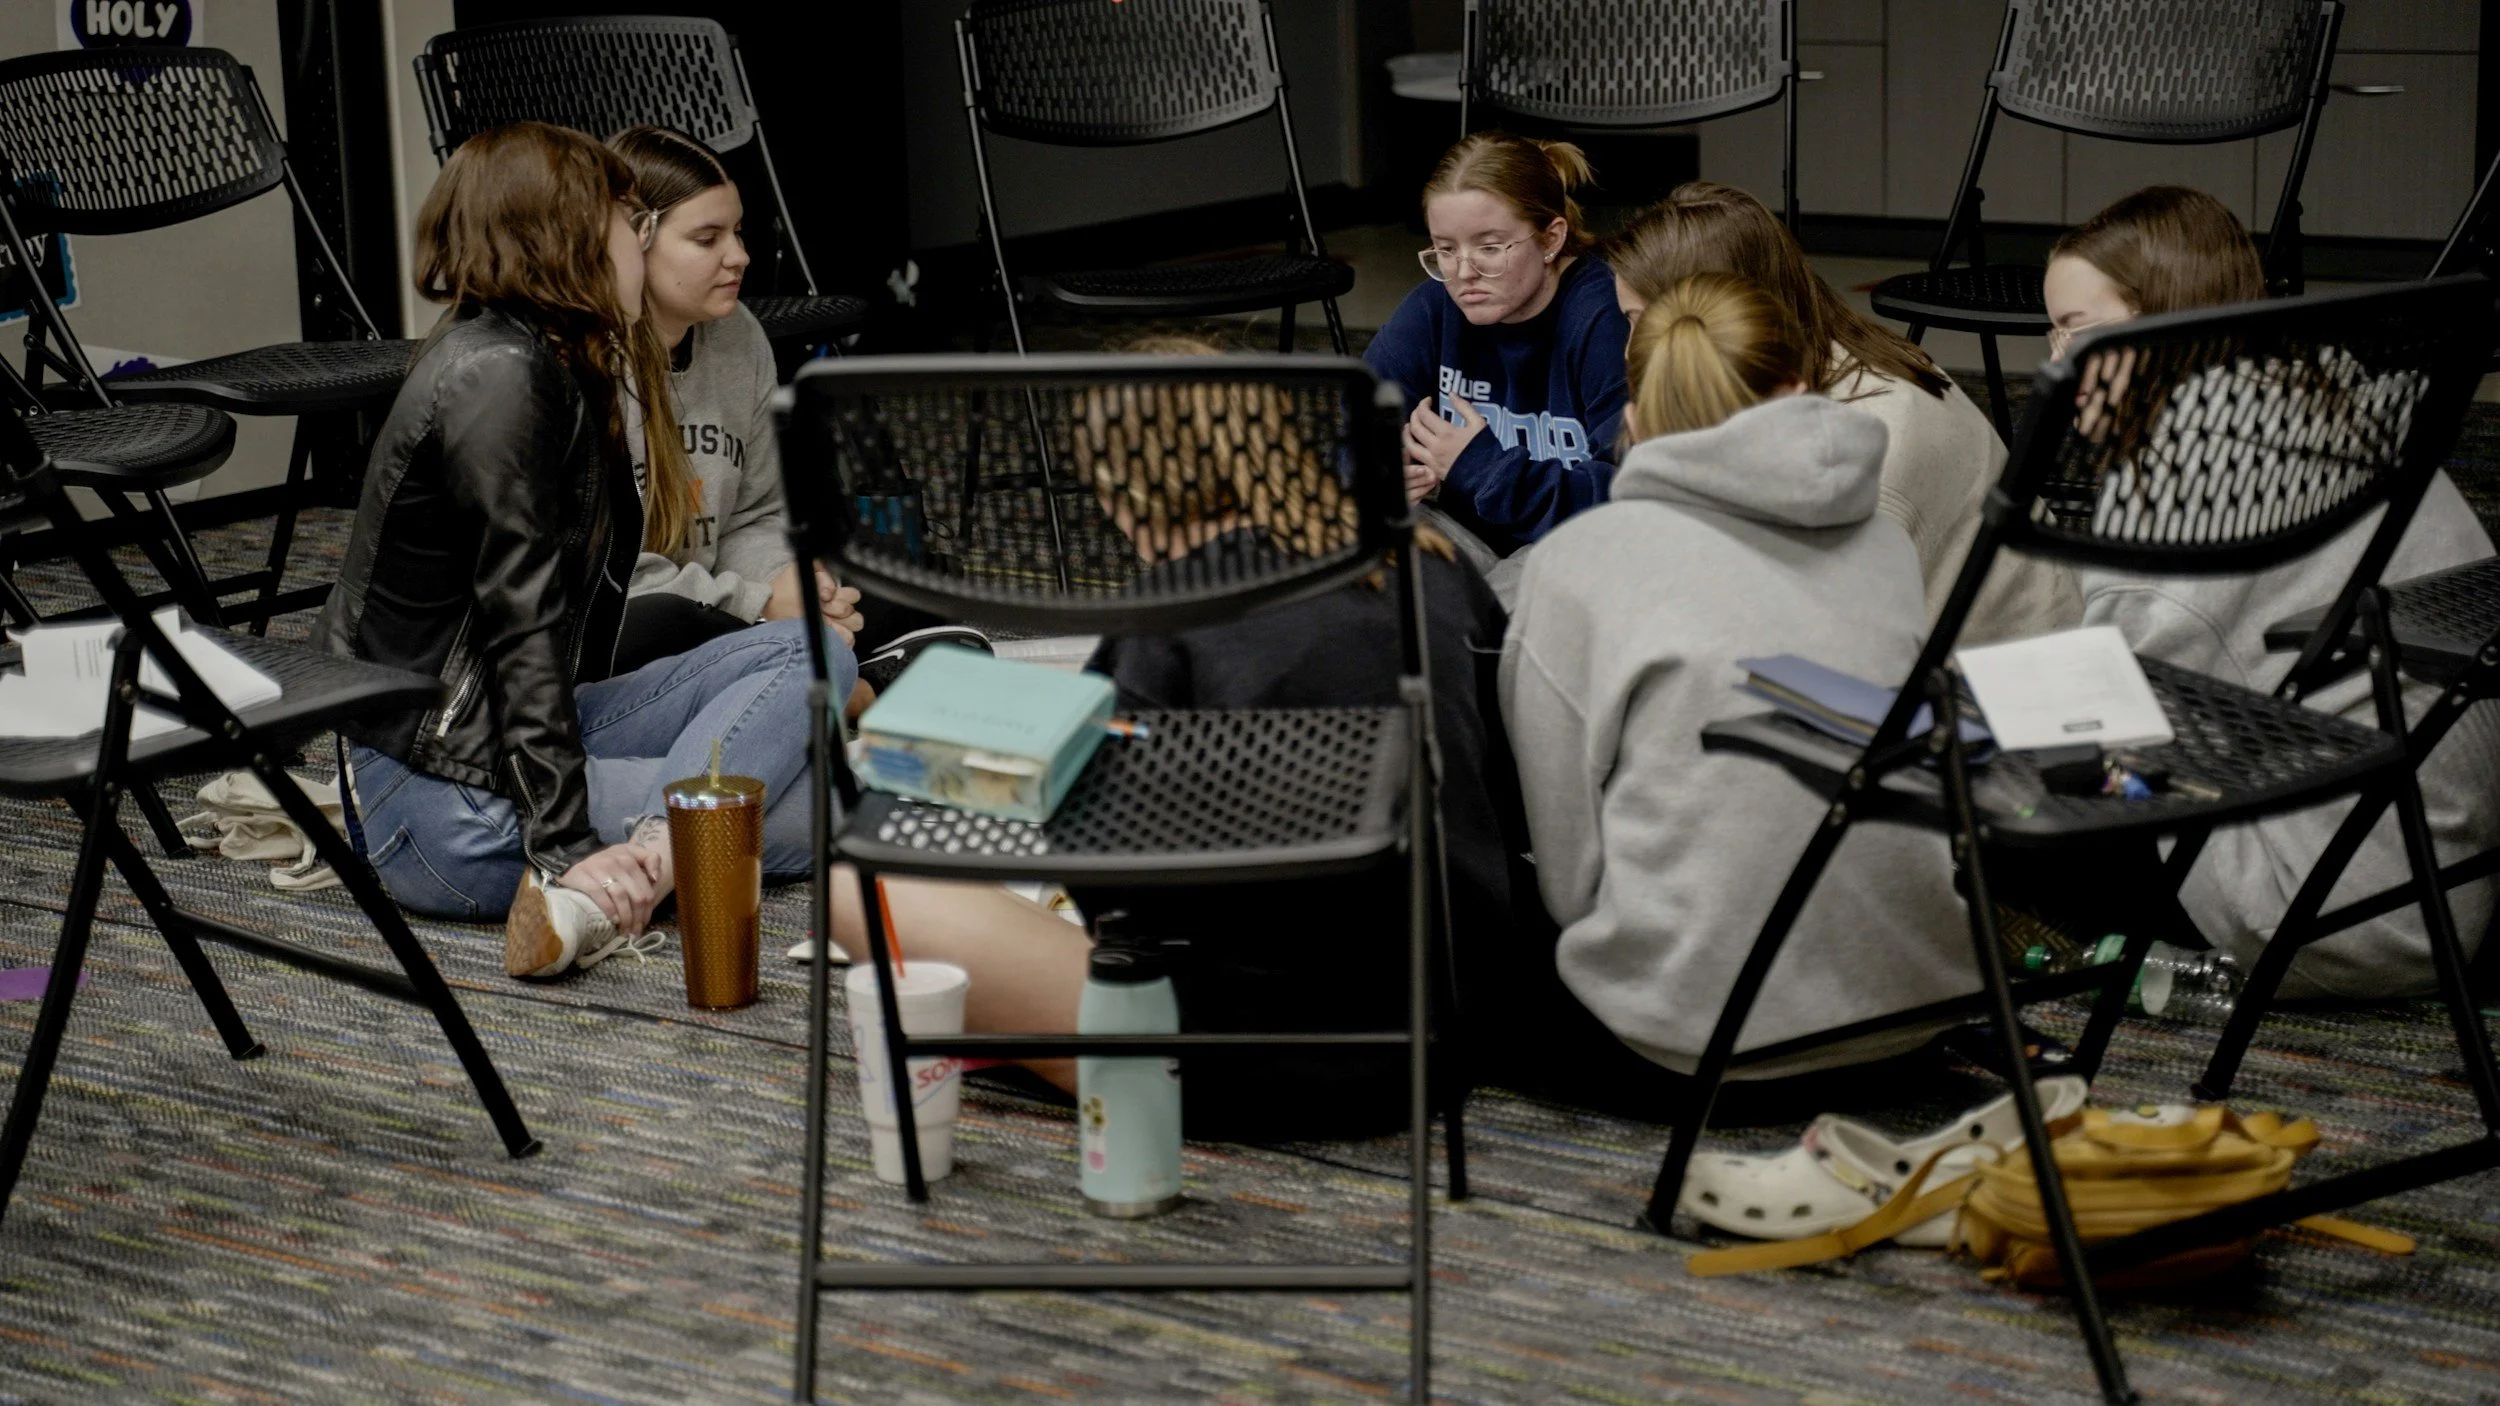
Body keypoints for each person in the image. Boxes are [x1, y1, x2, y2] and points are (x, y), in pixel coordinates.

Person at [823, 340, 1533, 1139]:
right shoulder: (1432, 561)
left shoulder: (1170, 616)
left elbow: (1121, 903)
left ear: (1126, 493)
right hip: (1461, 1015)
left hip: (1260, 1051)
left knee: (860, 889)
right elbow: (1506, 785)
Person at [322, 122, 859, 980]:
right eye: (630, 222)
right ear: (565, 237)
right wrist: (566, 844)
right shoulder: (495, 377)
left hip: (519, 744)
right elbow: (519, 627)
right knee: (847, 812)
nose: (641, 243)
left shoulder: (555, 355)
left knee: (814, 651)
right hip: (444, 800)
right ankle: (643, 862)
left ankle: (656, 851)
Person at [1500, 273, 1977, 1080]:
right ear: (1797, 389)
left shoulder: (1582, 563)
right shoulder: (1884, 543)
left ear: (1634, 418)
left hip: (1697, 1044)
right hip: (1913, 1010)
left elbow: (1568, 876)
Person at [2042, 185, 2500, 998]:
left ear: (2161, 322)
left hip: (2323, 907)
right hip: (2436, 868)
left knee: (1985, 797)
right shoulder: (2343, 407)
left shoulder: (2172, 487)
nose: (2055, 363)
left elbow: (2109, 727)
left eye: (2077, 333)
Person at [1606, 182, 2078, 644]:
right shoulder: (1825, 353)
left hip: (2004, 683)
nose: (1631, 352)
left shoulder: (1865, 447)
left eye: (1640, 324)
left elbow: (1827, 653)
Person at [605, 124, 976, 688]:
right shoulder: (587, 364)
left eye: (738, 232)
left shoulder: (739, 335)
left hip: (724, 599)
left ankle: (818, 671)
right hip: (638, 615)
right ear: (635, 241)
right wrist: (758, 605)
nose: (740, 257)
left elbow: (756, 513)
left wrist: (797, 585)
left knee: (900, 578)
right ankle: (837, 686)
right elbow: (615, 580)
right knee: (655, 624)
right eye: (707, 239)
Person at [1362, 132, 1631, 602]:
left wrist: (1479, 467)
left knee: (1518, 599)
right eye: (1445, 250)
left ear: (1551, 238)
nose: (1463, 273)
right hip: (1468, 538)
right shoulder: (1434, 307)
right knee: (1341, 547)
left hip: (1569, 543)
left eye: (1489, 248)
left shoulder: (1603, 317)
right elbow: (1350, 427)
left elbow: (1631, 495)